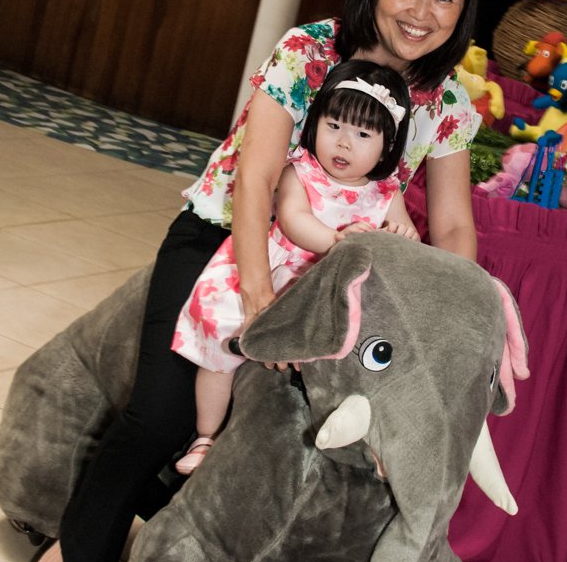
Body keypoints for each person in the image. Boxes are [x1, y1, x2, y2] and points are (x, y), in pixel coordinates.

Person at [17, 0, 481, 562]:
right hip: (226, 242)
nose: (422, 12)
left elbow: (452, 226)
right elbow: (256, 179)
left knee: (264, 441)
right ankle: (73, 555)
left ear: (463, 10)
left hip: (328, 276)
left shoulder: (445, 100)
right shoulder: (308, 51)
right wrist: (259, 298)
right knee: (162, 414)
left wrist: (444, 319)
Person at [171, 60, 418, 474]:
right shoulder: (299, 171)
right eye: (334, 125)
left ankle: (364, 442)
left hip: (338, 292)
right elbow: (293, 220)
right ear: (315, 123)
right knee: (219, 344)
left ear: (387, 145)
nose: (344, 143)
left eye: (363, 134)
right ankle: (205, 436)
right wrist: (337, 241)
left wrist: (401, 234)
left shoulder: (387, 193)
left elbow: (405, 237)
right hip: (283, 273)